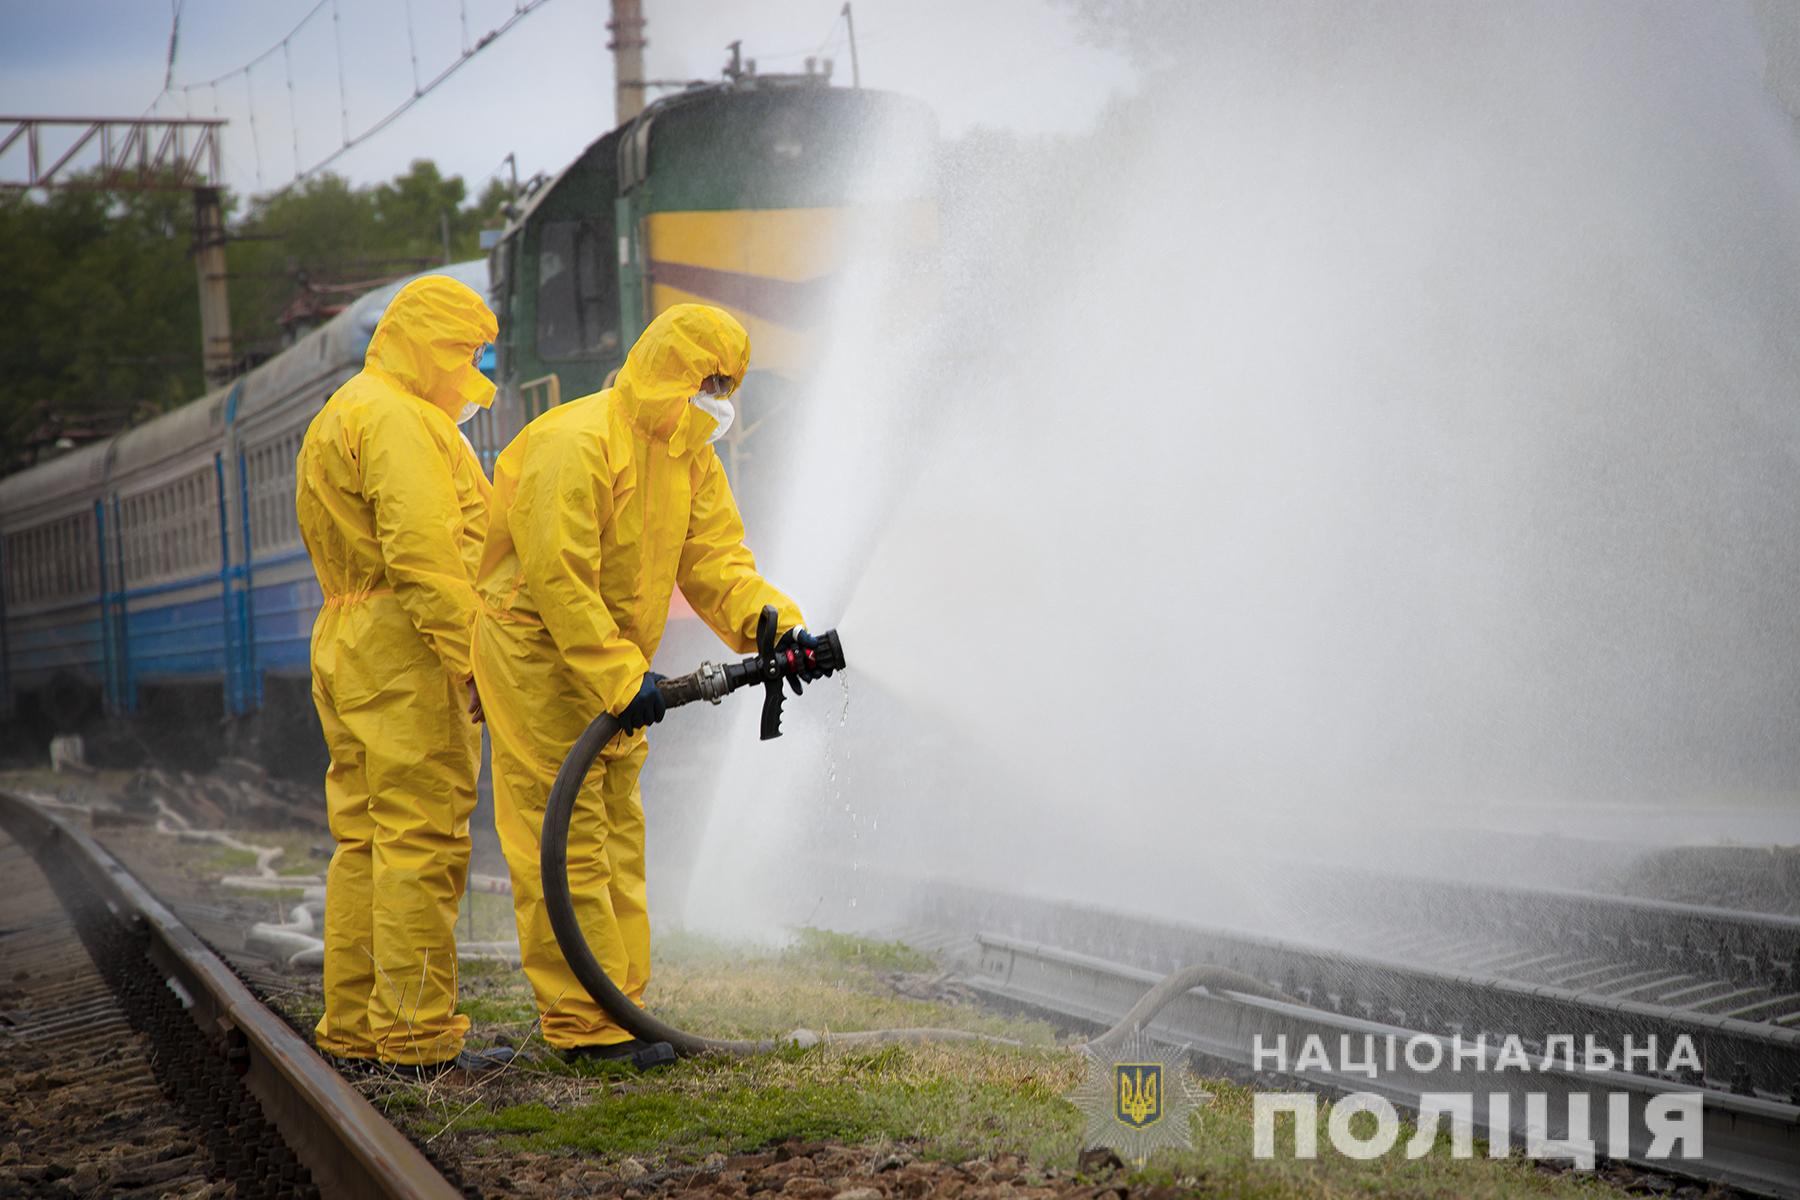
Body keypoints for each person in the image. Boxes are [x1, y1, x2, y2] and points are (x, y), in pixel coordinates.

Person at [474, 303, 821, 1064]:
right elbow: (559, 581)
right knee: (564, 837)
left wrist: (774, 624)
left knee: (619, 832)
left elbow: (717, 562)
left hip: (611, 660)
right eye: (709, 380)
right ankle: (585, 1028)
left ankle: (621, 1003)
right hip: (537, 654)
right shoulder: (578, 443)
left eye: (729, 383)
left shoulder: (690, 456)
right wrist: (620, 676)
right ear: (672, 372)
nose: (720, 397)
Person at [295, 273, 508, 1074]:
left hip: (346, 636)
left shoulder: (342, 412)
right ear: (431, 344)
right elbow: (424, 556)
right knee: (421, 837)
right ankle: (416, 1034)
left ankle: (355, 1024)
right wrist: (475, 660)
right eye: (466, 351)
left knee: (365, 841)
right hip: (406, 647)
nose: (472, 370)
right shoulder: (400, 420)